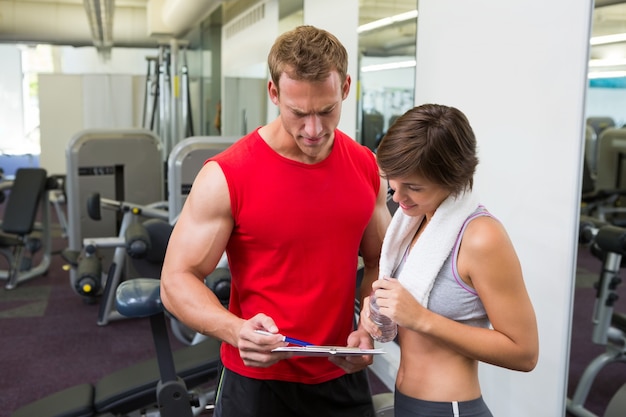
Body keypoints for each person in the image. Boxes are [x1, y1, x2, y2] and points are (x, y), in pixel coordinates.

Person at [160, 25, 391, 417]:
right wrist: (235, 330)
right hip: (256, 382)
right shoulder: (227, 175)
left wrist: (368, 325)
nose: (314, 129)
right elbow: (175, 280)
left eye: (326, 110)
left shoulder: (366, 167)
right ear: (274, 94)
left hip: (340, 374)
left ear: (346, 87)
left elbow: (378, 264)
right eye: (298, 113)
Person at [360, 103, 539, 417]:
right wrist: (375, 319)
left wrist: (420, 318)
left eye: (414, 187)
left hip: (448, 407)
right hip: (406, 401)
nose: (398, 198)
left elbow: (524, 353)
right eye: (393, 183)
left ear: (453, 178)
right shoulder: (415, 223)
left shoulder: (481, 237)